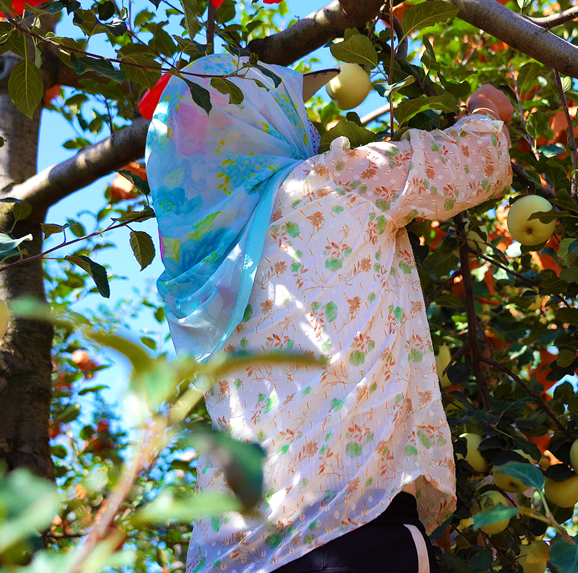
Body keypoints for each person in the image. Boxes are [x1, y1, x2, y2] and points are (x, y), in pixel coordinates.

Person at [145, 52, 514, 573]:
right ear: (263, 120)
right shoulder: (329, 182)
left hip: (233, 554)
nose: (312, 127)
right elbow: (474, 163)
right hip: (350, 527)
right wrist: (486, 112)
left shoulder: (196, 273)